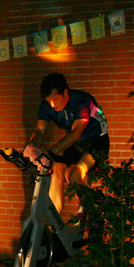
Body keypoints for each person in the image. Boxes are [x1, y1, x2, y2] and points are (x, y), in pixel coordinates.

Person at [25, 72, 109, 214]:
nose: (52, 105)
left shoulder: (82, 101)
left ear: (65, 92)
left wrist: (51, 152)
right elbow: (40, 131)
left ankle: (93, 212)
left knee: (74, 174)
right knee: (56, 170)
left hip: (96, 142)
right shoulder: (46, 106)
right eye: (49, 101)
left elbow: (76, 133)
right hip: (76, 144)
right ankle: (53, 219)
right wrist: (32, 146)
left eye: (55, 99)